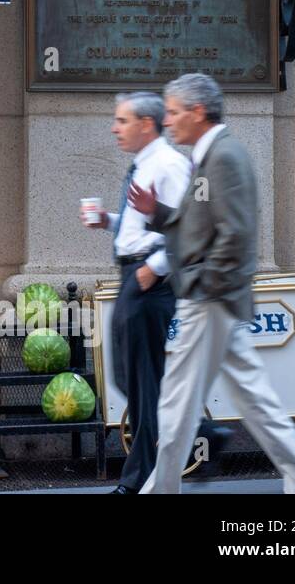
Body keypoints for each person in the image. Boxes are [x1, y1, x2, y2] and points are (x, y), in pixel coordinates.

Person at [128, 73, 295, 494]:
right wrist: (159, 212)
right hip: (215, 297)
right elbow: (199, 226)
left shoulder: (224, 156)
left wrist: (203, 283)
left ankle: (158, 490)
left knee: (178, 405)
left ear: (197, 112)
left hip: (209, 298)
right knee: (254, 402)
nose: (167, 121)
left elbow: (236, 234)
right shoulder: (211, 155)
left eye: (172, 112)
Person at [84, 92, 200, 493]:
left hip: (148, 279)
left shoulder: (168, 165)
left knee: (140, 379)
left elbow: (190, 228)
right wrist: (110, 221)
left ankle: (138, 479)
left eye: (122, 120)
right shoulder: (146, 165)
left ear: (146, 125)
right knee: (130, 377)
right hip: (135, 274)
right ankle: (192, 433)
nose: (115, 128)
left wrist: (156, 269)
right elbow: (145, 223)